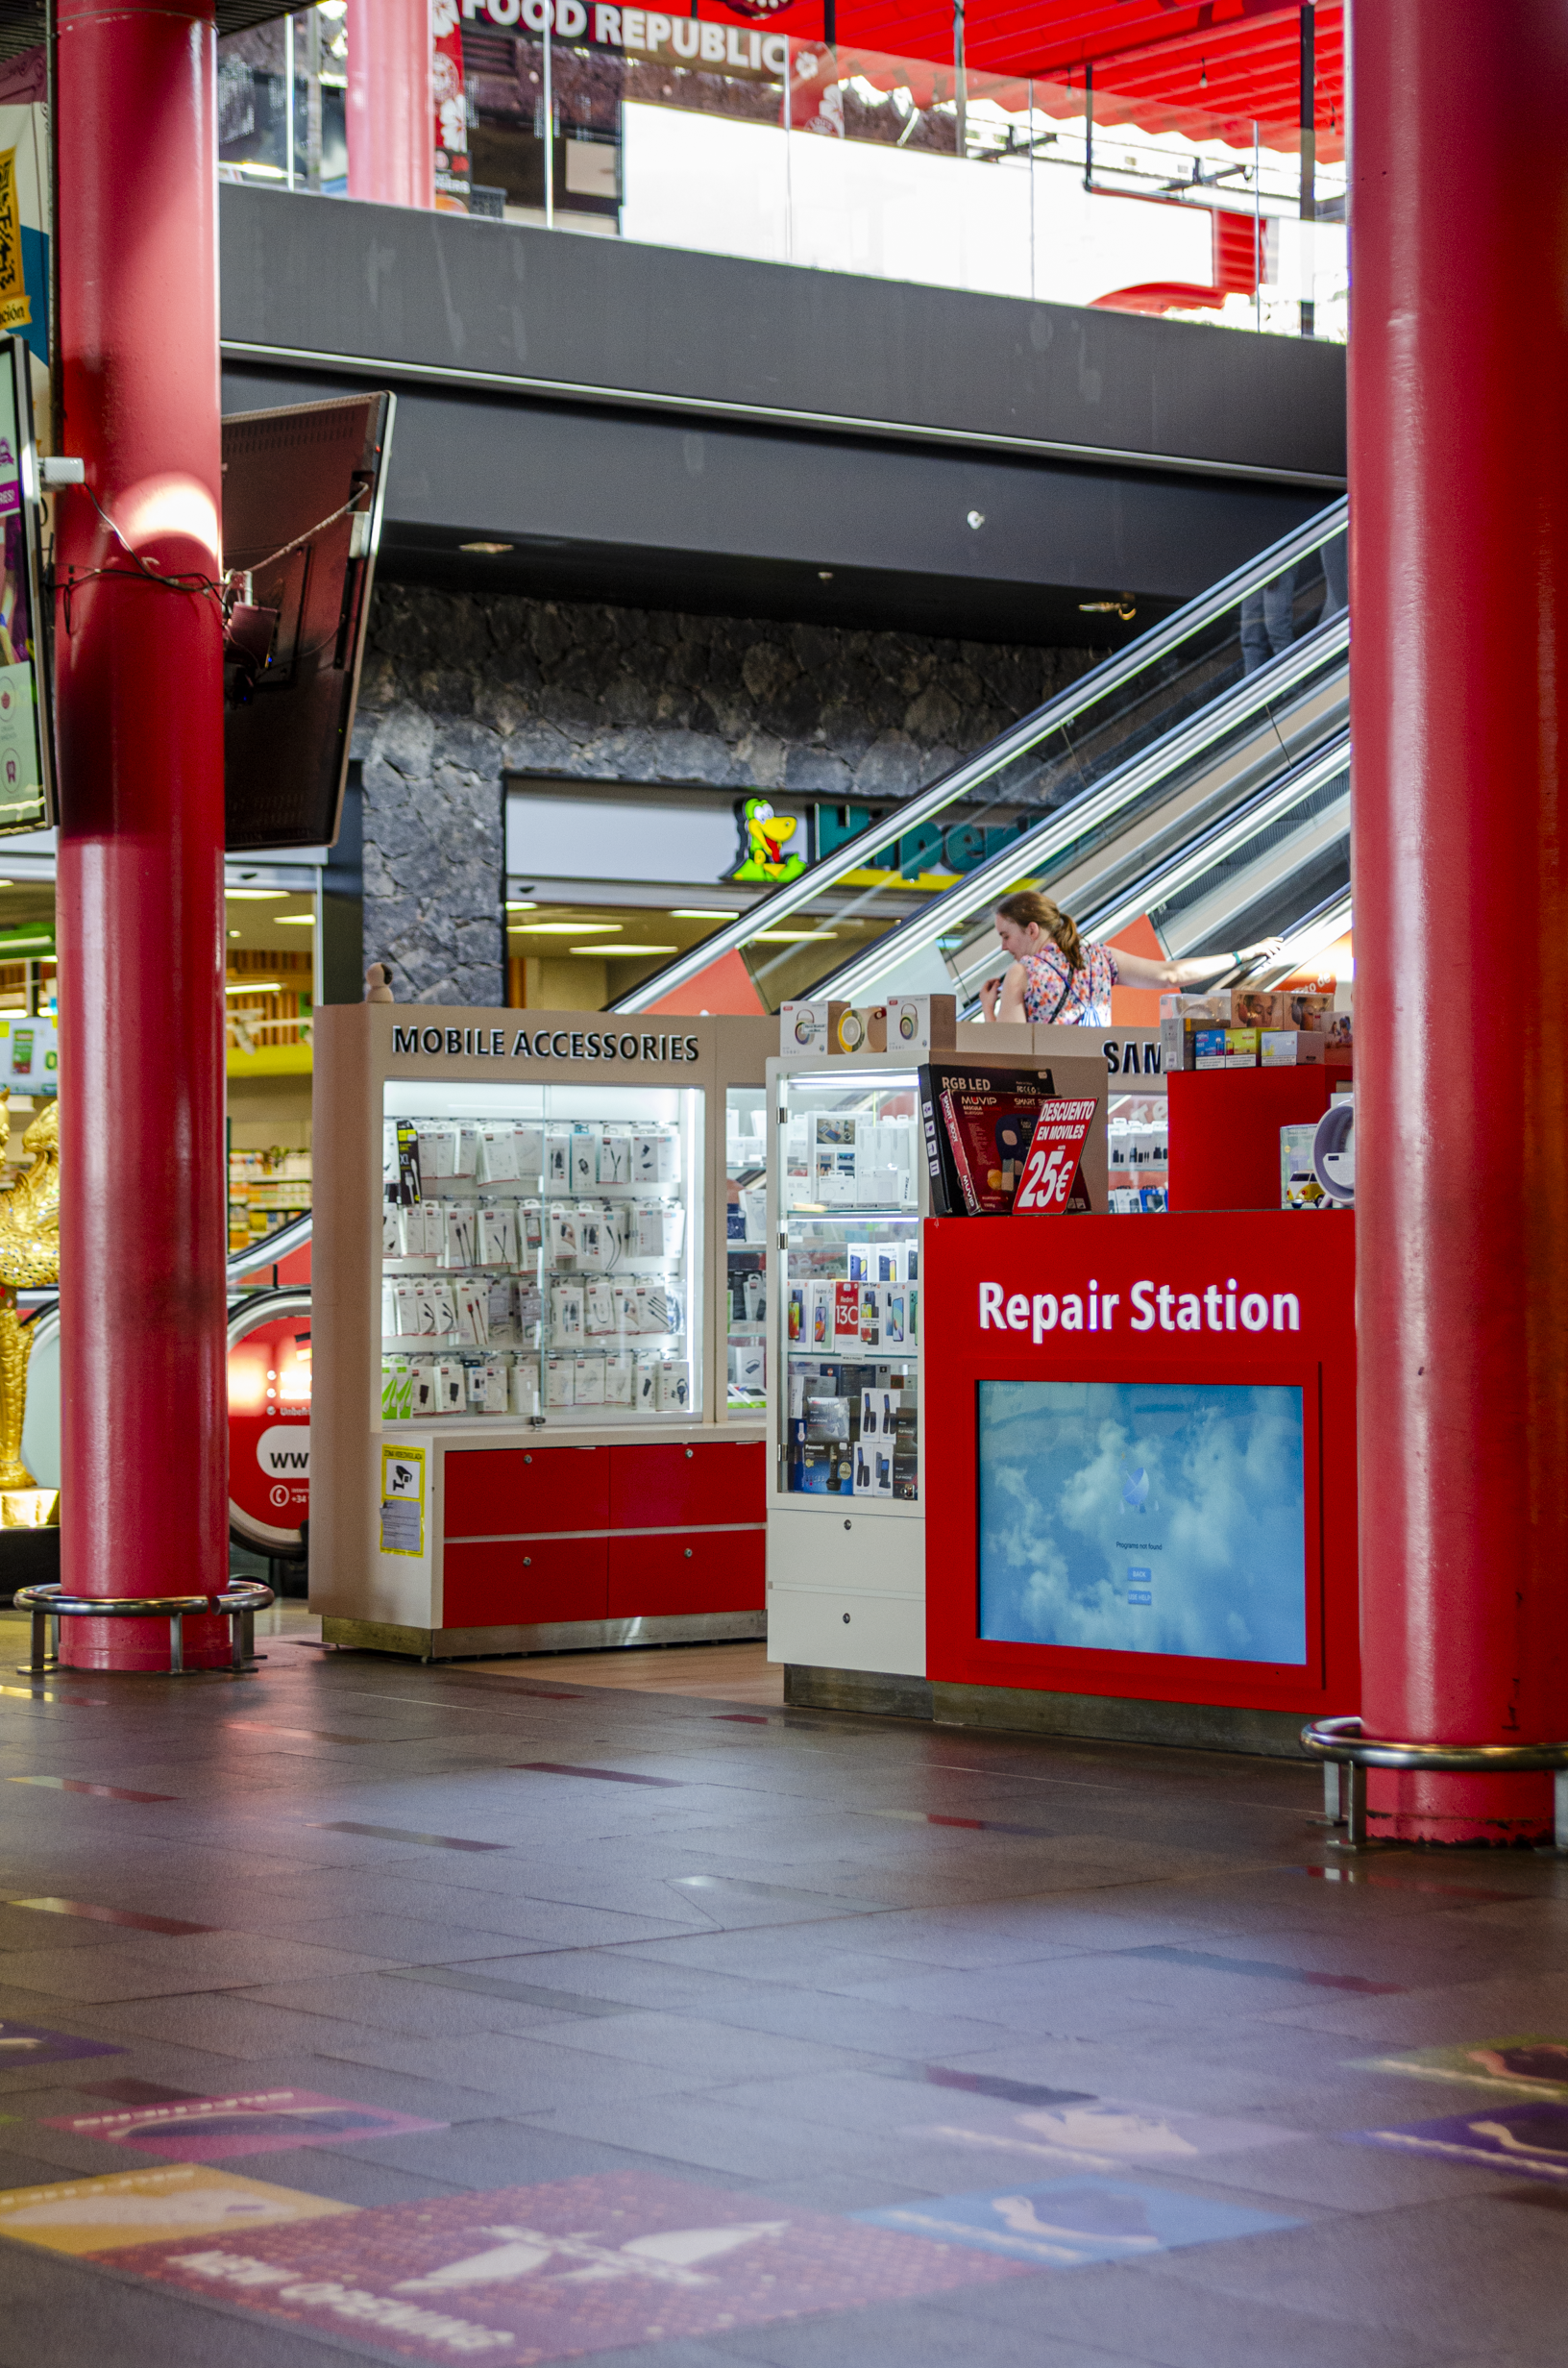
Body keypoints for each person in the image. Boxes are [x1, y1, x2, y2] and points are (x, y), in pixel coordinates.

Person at [979, 890, 1284, 1026]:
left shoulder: (1022, 973)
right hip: (1096, 1084)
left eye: (1006, 935)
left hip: (1047, 1097)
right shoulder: (1099, 958)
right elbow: (1171, 975)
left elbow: (1012, 1053)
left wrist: (988, 1010)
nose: (1004, 947)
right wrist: (1242, 955)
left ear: (1032, 929)